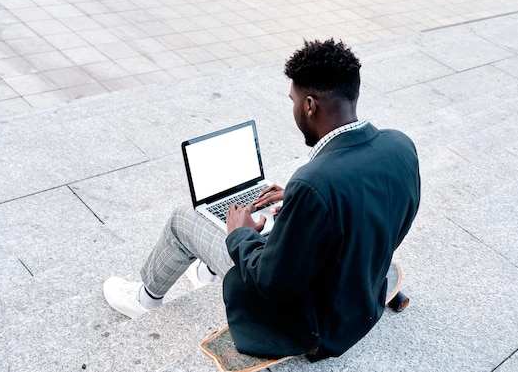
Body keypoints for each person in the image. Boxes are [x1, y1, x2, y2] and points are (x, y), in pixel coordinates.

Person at [103, 38, 421, 361]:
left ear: (310, 106)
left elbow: (273, 283)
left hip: (314, 324)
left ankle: (145, 298)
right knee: (257, 224)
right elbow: (382, 215)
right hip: (360, 296)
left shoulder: (315, 184)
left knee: (182, 219)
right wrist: (301, 203)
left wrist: (241, 233)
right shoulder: (401, 147)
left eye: (293, 101)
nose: (294, 108)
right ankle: (206, 272)